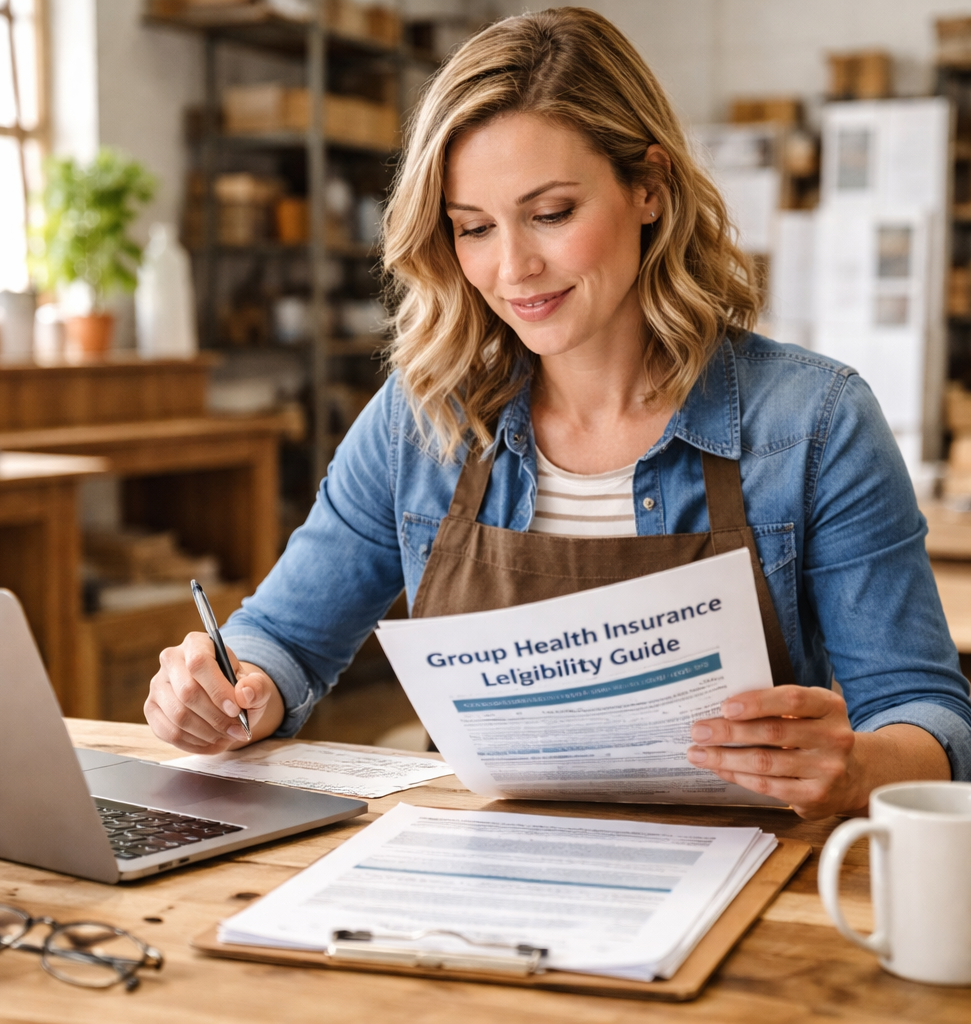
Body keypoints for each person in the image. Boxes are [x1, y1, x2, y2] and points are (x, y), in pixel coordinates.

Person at [145, 7, 971, 819]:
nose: (513, 268)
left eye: (551, 215)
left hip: (750, 873)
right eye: (474, 228)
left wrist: (857, 767)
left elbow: (929, 717)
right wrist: (230, 689)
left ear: (649, 188)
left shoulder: (815, 423)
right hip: (484, 869)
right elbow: (284, 640)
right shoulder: (420, 421)